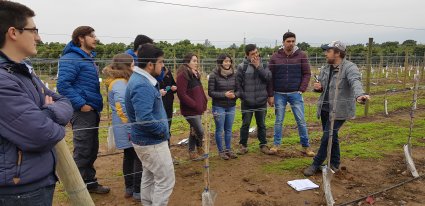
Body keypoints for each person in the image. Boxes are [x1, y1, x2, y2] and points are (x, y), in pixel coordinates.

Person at [0, 1, 73, 205]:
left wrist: (45, 113)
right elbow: (41, 134)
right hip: (17, 192)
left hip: (32, 182)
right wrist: (51, 112)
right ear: (13, 32)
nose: (39, 38)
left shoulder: (21, 73)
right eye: (34, 30)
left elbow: (64, 100)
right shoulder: (3, 81)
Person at [303, 41, 370, 176]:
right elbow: (320, 86)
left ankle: (316, 163)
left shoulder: (350, 68)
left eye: (328, 51)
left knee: (327, 137)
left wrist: (360, 95)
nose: (325, 54)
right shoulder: (326, 68)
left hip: (340, 109)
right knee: (332, 136)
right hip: (325, 108)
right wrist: (318, 88)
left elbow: (355, 81)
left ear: (338, 53)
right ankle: (335, 163)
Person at [57, 26, 110, 193]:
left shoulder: (87, 58)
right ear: (81, 38)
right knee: (83, 149)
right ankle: (77, 189)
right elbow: (63, 85)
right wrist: (81, 104)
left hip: (92, 109)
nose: (95, 38)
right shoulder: (71, 58)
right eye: (91, 35)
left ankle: (89, 183)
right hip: (82, 111)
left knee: (92, 148)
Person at [125, 44, 175, 206]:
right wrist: (162, 131)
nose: (163, 66)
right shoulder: (142, 84)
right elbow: (144, 118)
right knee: (166, 179)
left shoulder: (141, 80)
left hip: (144, 140)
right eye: (161, 62)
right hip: (151, 141)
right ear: (150, 64)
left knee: (150, 175)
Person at [102, 53, 142, 201]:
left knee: (129, 156)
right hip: (128, 127)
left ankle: (129, 188)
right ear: (125, 66)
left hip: (124, 127)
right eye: (132, 64)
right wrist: (131, 127)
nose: (134, 67)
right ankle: (137, 190)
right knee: (137, 157)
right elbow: (122, 107)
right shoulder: (120, 83)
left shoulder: (120, 81)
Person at [268, 32, 314, 156]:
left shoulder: (302, 56)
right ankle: (276, 144)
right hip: (279, 94)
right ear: (283, 42)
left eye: (293, 41)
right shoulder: (275, 57)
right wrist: (270, 94)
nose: (291, 43)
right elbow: (270, 77)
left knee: (301, 120)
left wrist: (302, 89)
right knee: (279, 120)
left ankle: (306, 146)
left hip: (295, 93)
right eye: (288, 41)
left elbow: (307, 73)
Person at [236, 44, 274, 155]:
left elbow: (268, 77)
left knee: (261, 124)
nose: (256, 55)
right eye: (252, 54)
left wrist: (258, 67)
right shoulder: (242, 67)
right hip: (247, 102)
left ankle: (263, 144)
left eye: (257, 52)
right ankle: (243, 145)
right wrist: (244, 97)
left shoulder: (264, 64)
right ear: (246, 55)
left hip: (261, 101)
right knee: (245, 124)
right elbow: (238, 84)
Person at [176, 53, 208, 160]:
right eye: (194, 61)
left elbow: (200, 90)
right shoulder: (182, 75)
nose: (196, 63)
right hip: (190, 110)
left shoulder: (195, 74)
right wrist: (194, 104)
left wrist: (204, 102)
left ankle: (192, 153)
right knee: (199, 130)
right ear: (187, 62)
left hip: (198, 109)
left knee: (194, 130)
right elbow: (181, 94)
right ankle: (198, 147)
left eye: (197, 61)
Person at [208, 54, 239, 160]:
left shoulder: (235, 74)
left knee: (229, 129)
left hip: (231, 106)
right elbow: (211, 92)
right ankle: (221, 151)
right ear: (220, 62)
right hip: (218, 106)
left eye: (229, 61)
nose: (228, 63)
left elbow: (239, 90)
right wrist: (224, 95)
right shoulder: (214, 75)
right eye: (225, 61)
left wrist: (236, 95)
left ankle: (228, 150)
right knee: (219, 129)